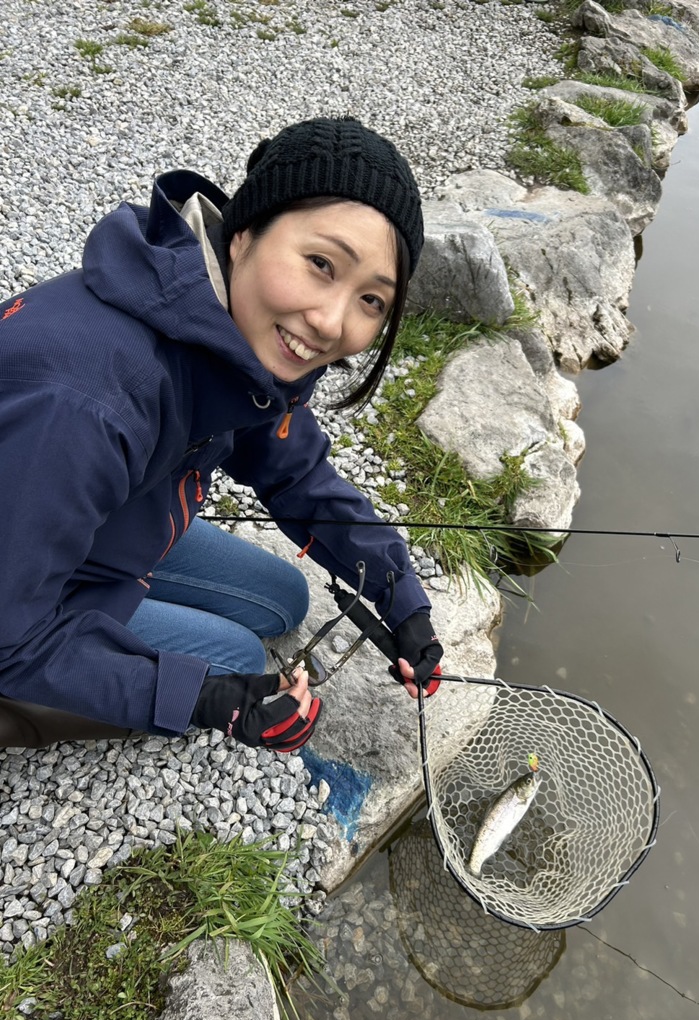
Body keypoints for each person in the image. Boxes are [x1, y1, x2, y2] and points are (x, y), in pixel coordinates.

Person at [0, 116, 443, 751]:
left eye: (371, 300)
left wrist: (402, 600)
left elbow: (296, 472)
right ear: (243, 234)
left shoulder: (227, 327)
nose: (329, 321)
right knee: (235, 655)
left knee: (284, 598)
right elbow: (9, 634)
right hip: (16, 587)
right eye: (321, 263)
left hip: (96, 523)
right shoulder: (85, 405)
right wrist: (209, 701)